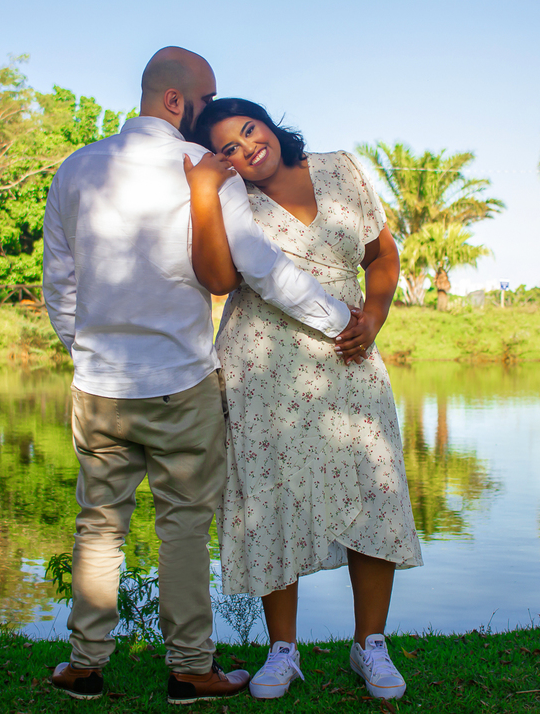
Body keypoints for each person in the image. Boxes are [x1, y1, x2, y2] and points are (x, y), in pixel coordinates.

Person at [41, 49, 357, 705]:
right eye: (206, 100)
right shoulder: (203, 172)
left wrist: (90, 351)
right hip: (181, 383)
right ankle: (189, 668)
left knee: (98, 524)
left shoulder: (76, 169)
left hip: (98, 386)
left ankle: (83, 665)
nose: (212, 114)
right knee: (182, 528)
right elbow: (261, 269)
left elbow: (59, 288)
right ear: (178, 103)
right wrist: (339, 319)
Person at [185, 98, 423, 701]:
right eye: (229, 148)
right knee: (272, 492)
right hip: (264, 364)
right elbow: (218, 280)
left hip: (347, 353)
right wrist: (206, 193)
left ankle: (370, 646)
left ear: (268, 123)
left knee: (371, 488)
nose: (246, 149)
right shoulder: (234, 196)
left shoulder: (340, 168)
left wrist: (373, 316)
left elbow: (382, 255)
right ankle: (282, 651)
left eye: (249, 130)